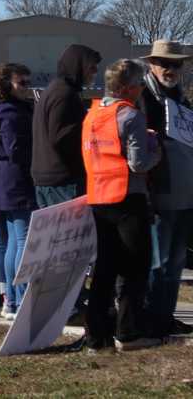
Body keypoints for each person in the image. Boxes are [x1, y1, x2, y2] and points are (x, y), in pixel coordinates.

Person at [83, 59, 163, 350]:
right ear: (129, 88)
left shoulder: (93, 114)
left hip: (99, 196)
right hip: (128, 199)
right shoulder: (131, 116)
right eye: (141, 84)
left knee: (104, 269)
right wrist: (157, 152)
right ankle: (127, 332)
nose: (143, 88)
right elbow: (138, 164)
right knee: (134, 268)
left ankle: (95, 335)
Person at [135, 41, 193, 336]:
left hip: (185, 192)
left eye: (176, 64)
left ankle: (165, 317)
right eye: (164, 63)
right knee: (158, 261)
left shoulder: (182, 101)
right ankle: (149, 319)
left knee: (176, 262)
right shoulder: (143, 99)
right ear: (152, 65)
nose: (170, 69)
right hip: (158, 192)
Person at [0, 63, 35, 320]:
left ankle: (10, 300)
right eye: (21, 83)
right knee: (21, 240)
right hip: (15, 179)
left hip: (2, 180)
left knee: (13, 241)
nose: (27, 87)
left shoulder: (0, 111)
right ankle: (18, 298)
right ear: (6, 86)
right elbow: (16, 149)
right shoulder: (10, 114)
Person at [32, 44, 101, 207]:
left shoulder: (55, 90)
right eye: (91, 68)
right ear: (78, 67)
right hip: (63, 181)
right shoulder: (64, 94)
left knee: (55, 233)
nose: (95, 73)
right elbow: (62, 137)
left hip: (50, 177)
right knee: (72, 233)